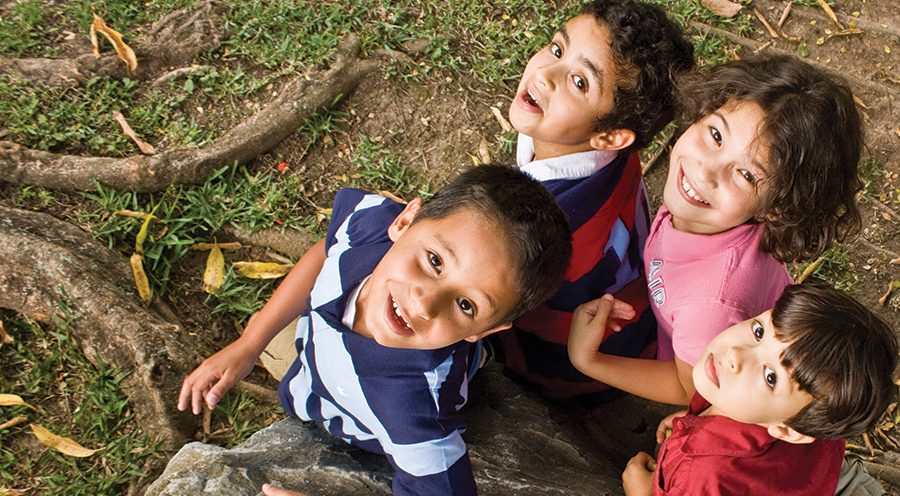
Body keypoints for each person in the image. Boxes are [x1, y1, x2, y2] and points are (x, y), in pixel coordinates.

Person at [178, 165, 572, 496]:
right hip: (311, 367)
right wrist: (250, 343)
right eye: (434, 261)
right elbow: (328, 250)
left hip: (354, 424)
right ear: (404, 220)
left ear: (485, 330)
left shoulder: (416, 410)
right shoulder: (370, 225)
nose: (423, 304)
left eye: (466, 305)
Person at [568, 55, 863, 405]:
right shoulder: (707, 214)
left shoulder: (712, 306)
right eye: (715, 134)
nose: (706, 171)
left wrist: (591, 361)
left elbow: (689, 389)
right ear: (706, 108)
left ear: (777, 208)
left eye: (746, 175)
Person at [497, 0, 696, 399]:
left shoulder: (530, 223)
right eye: (557, 49)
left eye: (580, 82)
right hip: (631, 326)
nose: (545, 74)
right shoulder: (613, 155)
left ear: (610, 137)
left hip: (559, 367)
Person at [596, 283, 898, 495]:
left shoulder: (699, 476)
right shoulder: (811, 413)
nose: (735, 354)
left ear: (789, 431)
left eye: (770, 377)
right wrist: (695, 421)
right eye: (759, 331)